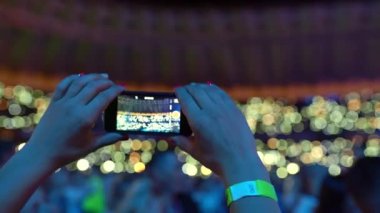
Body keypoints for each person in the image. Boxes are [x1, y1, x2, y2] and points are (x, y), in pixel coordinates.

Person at [0, 74, 280, 212]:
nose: (177, 174)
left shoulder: (186, 202)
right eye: (172, 170)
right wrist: (243, 165)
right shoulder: (138, 194)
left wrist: (38, 154)